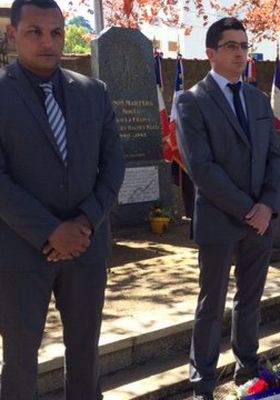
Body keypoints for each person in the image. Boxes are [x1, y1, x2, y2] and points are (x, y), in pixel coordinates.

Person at [0, 0, 125, 398]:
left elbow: (113, 166)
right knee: (20, 358)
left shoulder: (94, 92)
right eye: (35, 32)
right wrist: (51, 231)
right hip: (19, 254)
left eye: (56, 32)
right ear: (11, 34)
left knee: (85, 352)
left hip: (86, 251)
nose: (48, 42)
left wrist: (84, 223)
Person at [176, 17, 280, 400]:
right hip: (220, 220)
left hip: (260, 220)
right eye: (232, 46)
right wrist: (248, 209)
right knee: (212, 302)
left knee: (250, 299)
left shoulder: (256, 99)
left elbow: (274, 157)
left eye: (244, 45)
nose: (241, 53)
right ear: (211, 53)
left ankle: (248, 366)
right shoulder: (190, 101)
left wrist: (267, 206)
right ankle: (202, 379)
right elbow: (201, 168)